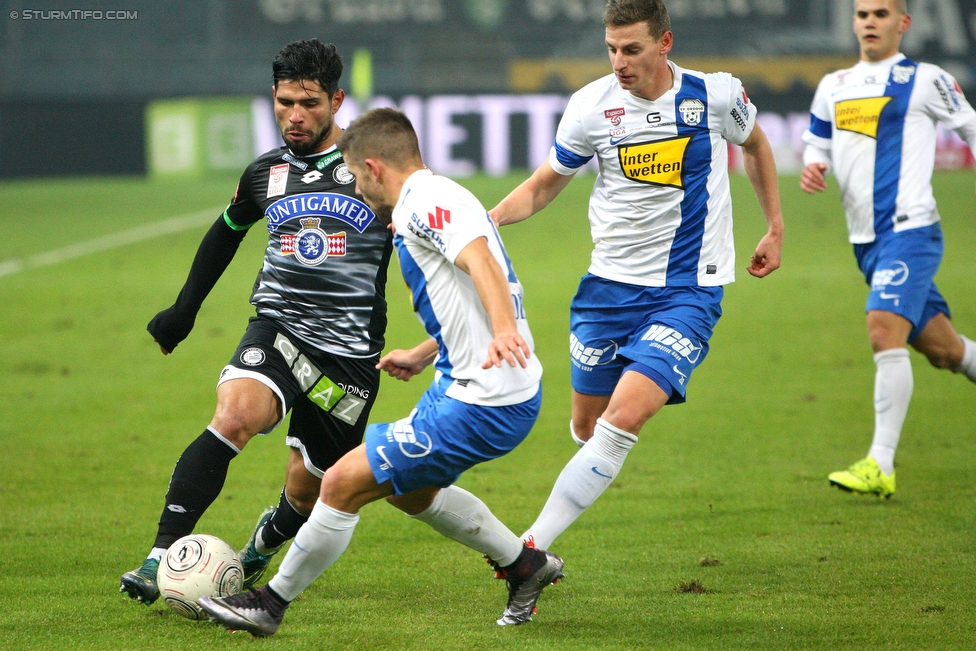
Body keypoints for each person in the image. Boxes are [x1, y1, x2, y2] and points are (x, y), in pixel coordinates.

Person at [197, 108, 563, 637]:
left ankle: (269, 605)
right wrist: (425, 351)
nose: (356, 187)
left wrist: (504, 328)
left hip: (483, 400)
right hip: (474, 384)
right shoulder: (443, 194)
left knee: (342, 482)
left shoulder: (423, 205)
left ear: (372, 167)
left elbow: (482, 263)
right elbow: (467, 298)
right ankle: (524, 566)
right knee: (407, 490)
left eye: (354, 174)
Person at [489, 0, 784, 551]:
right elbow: (544, 183)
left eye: (632, 49)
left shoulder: (715, 94)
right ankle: (554, 517)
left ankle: (527, 552)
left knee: (622, 421)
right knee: (587, 426)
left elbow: (757, 145)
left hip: (688, 290)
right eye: (611, 49)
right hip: (607, 291)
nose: (619, 61)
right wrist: (489, 222)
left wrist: (774, 227)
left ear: (664, 43)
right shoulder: (589, 107)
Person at [120, 39, 395, 605]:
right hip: (278, 326)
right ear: (273, 97)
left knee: (308, 487)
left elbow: (423, 234)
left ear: (337, 100)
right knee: (234, 416)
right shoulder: (265, 173)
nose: (296, 115)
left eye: (311, 103)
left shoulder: (372, 169)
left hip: (348, 351)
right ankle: (158, 558)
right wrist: (183, 311)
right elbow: (227, 229)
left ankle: (261, 547)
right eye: (286, 101)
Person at [801, 0, 976, 498]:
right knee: (945, 351)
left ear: (904, 23)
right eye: (862, 15)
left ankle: (880, 464)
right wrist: (815, 165)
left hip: (911, 231)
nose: (869, 22)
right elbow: (817, 141)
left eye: (881, 13)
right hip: (866, 242)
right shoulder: (833, 85)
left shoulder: (924, 79)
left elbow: (970, 126)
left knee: (882, 332)